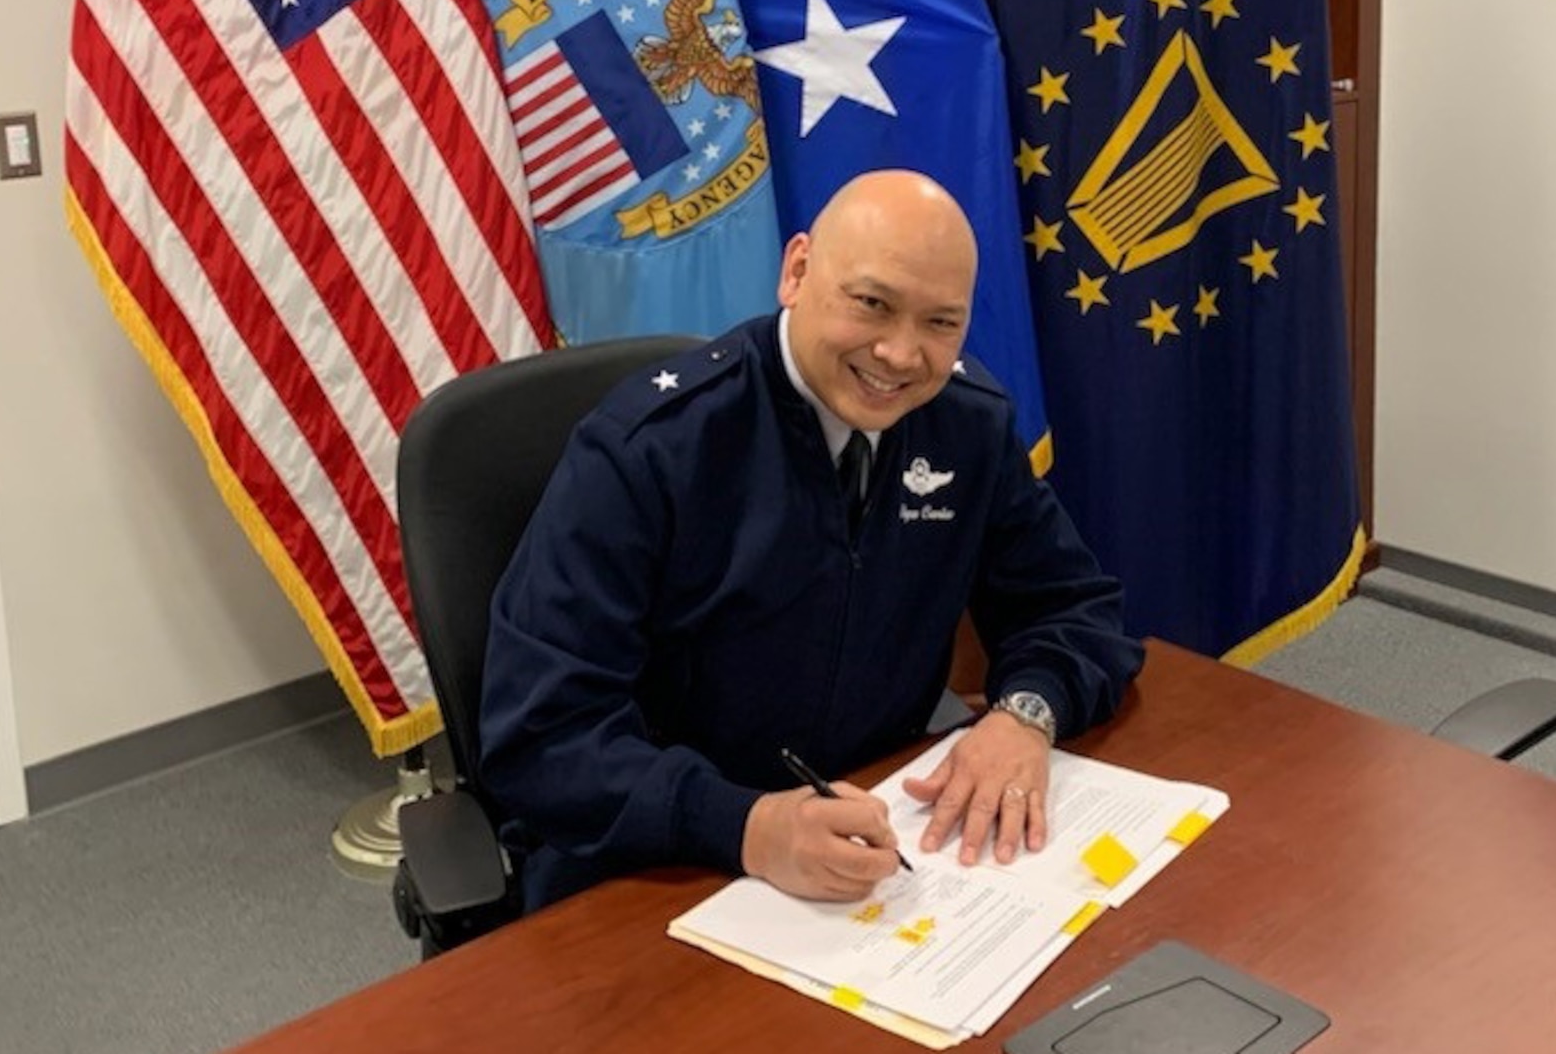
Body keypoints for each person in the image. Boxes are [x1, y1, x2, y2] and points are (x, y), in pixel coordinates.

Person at [481, 169, 1143, 910]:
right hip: (657, 864)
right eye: (871, 304)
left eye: (939, 322)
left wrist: (1026, 714)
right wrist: (744, 824)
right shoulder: (650, 452)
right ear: (795, 271)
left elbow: (1074, 610)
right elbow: (540, 735)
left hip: (877, 833)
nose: (899, 354)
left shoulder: (966, 425)